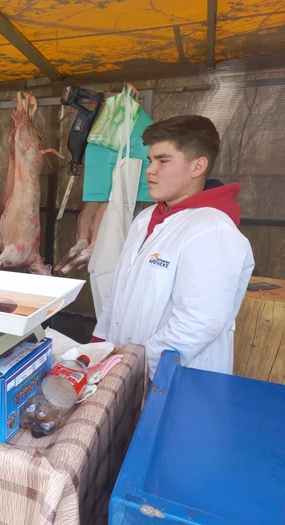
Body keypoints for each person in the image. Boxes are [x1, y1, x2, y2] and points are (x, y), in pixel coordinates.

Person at [91, 115, 254, 379]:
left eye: (163, 160)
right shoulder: (146, 219)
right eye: (150, 160)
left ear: (198, 166)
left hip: (177, 381)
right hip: (124, 370)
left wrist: (133, 364)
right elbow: (119, 290)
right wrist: (98, 343)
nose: (150, 170)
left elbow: (198, 323)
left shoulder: (213, 230)